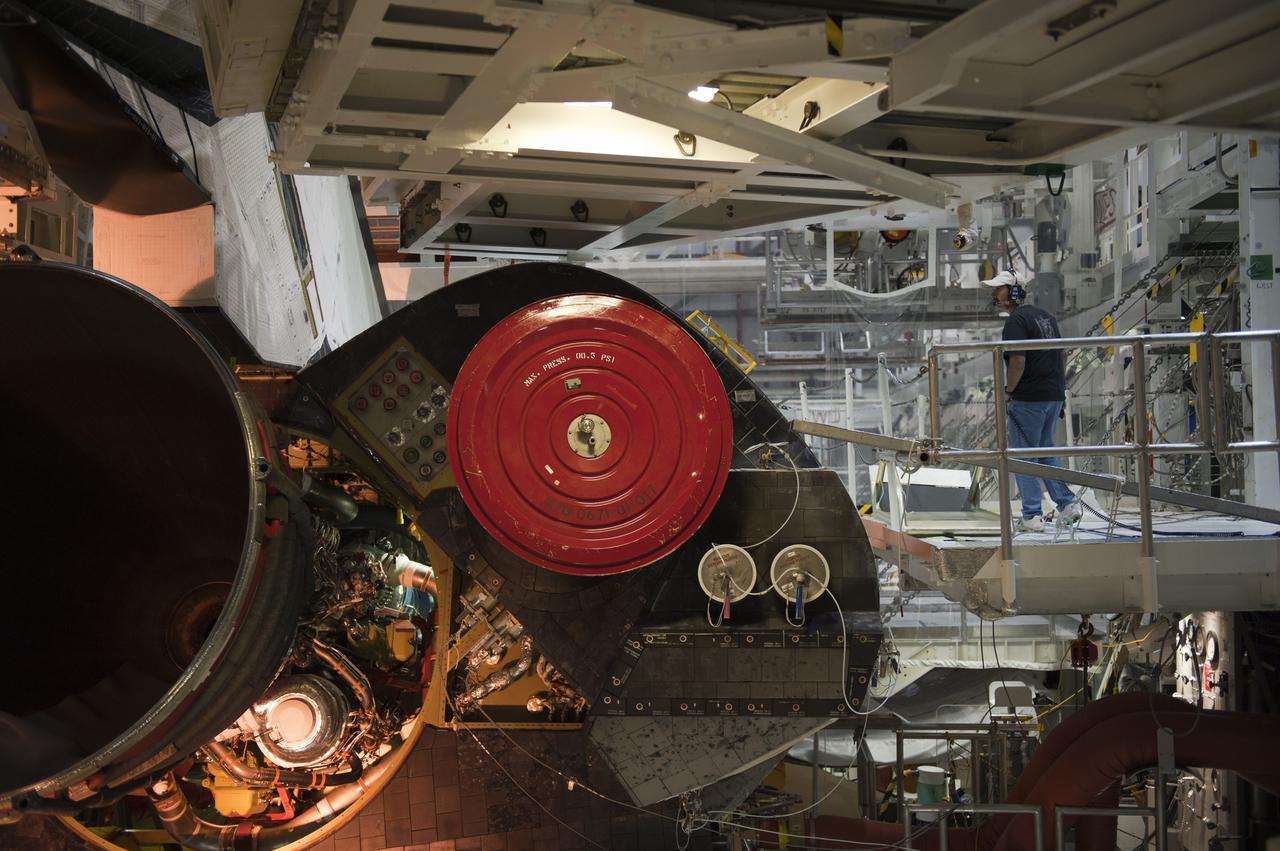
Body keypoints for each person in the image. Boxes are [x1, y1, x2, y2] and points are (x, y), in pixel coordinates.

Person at [981, 271, 1082, 533]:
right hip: (1053, 396)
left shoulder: (1016, 321)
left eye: (999, 289)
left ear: (1014, 291)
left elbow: (1017, 360)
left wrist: (1008, 390)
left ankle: (1032, 515)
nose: (994, 294)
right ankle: (1067, 503)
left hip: (1028, 398)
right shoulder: (1045, 317)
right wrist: (1058, 387)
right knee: (1046, 451)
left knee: (1023, 457)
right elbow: (1062, 355)